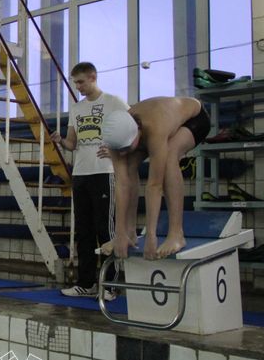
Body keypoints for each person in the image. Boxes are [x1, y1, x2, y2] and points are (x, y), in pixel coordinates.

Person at [49, 62, 127, 298]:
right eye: (76, 83)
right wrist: (61, 140)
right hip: (81, 173)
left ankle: (111, 286)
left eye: (81, 82)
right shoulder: (77, 108)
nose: (79, 87)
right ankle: (86, 282)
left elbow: (133, 131)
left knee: (106, 229)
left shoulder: (114, 102)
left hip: (104, 172)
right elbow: (73, 144)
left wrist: (116, 149)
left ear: (93, 77)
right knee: (83, 231)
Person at [101, 96, 209, 260]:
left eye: (126, 147)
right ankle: (130, 232)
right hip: (151, 128)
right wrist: (119, 232)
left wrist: (151, 235)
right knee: (128, 164)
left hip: (195, 118)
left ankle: (176, 234)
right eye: (119, 149)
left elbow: (154, 186)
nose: (122, 153)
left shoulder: (156, 127)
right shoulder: (115, 135)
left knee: (170, 156)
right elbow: (122, 185)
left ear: (137, 132)